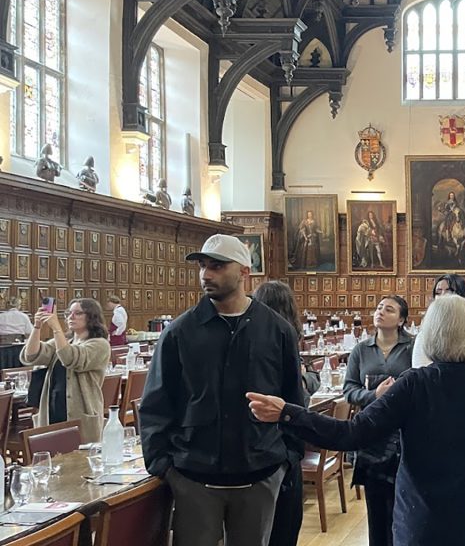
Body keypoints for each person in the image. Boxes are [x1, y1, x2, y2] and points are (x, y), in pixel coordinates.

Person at [247, 295, 465, 546]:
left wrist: (289, 413)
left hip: (422, 519)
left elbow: (352, 433)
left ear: (431, 334)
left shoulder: (414, 384)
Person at [139, 234, 304, 546]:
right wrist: (164, 466)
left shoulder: (276, 330)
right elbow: (156, 403)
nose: (206, 275)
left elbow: (293, 398)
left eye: (216, 266)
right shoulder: (179, 332)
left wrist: (286, 458)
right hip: (193, 477)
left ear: (244, 271)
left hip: (260, 473)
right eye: (202, 266)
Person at [343, 296, 415, 546]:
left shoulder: (413, 347)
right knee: (375, 507)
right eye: (379, 308)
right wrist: (373, 395)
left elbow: (420, 383)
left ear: (402, 319)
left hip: (403, 436)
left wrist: (394, 394)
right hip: (371, 435)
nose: (380, 312)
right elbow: (349, 389)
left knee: (402, 508)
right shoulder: (361, 350)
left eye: (389, 309)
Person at [251, 280, 313, 546]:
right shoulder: (288, 337)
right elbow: (302, 397)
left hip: (268, 450)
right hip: (281, 447)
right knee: (283, 529)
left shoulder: (261, 338)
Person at [21, 298, 110, 442]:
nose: (71, 317)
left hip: (80, 415)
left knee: (79, 461)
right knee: (53, 459)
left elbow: (70, 358)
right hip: (53, 411)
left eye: (78, 313)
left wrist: (56, 328)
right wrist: (37, 327)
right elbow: (31, 356)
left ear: (92, 317)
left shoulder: (100, 344)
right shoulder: (64, 341)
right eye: (69, 313)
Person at [417, 275, 465, 369]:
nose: (443, 295)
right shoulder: (425, 333)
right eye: (438, 292)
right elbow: (420, 368)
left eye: (449, 291)